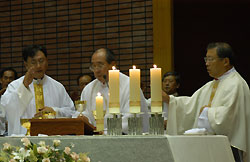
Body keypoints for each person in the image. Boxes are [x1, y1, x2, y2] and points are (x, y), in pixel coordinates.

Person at [163, 42, 250, 162]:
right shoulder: (211, 84)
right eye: (206, 59)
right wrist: (169, 100)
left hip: (229, 147)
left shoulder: (236, 84)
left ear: (225, 61)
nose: (207, 63)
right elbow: (190, 106)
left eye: (210, 59)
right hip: (210, 147)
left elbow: (228, 117)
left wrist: (206, 112)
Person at [1, 45, 75, 135]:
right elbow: (6, 111)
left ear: (47, 61)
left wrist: (54, 111)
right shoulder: (14, 86)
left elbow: (71, 112)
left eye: (41, 61)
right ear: (26, 65)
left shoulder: (57, 87)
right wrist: (24, 87)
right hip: (23, 141)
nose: (38, 66)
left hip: (53, 141)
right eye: (33, 62)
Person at [76, 48, 149, 134]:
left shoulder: (129, 85)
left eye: (100, 65)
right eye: (93, 66)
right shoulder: (89, 88)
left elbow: (132, 117)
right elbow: (85, 113)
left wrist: (106, 132)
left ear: (113, 64)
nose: (96, 70)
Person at [0, 67, 18, 136]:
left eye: (11, 78)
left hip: (14, 133)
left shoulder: (19, 96)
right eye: (5, 78)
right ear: (1, 80)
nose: (8, 81)